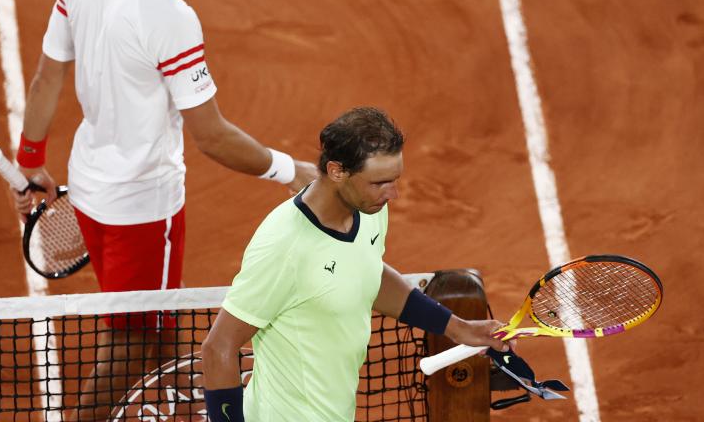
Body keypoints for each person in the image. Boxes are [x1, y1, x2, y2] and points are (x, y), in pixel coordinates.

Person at [10, 0, 318, 418]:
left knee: (156, 318)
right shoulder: (170, 17)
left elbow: (47, 74)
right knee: (131, 346)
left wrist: (30, 159)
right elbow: (212, 135)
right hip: (143, 210)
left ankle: (185, 408)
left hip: (93, 192)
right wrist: (289, 170)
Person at [201, 107, 512, 421]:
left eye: (394, 179)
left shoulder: (368, 210)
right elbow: (219, 348)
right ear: (337, 171)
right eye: (379, 182)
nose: (394, 193)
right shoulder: (285, 246)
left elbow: (368, 272)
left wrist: (457, 328)